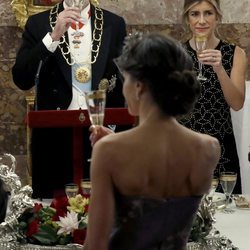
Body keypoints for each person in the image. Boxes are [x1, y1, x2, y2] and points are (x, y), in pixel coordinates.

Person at [83, 33, 221, 250]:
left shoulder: (108, 151)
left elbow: (96, 244)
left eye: (125, 79)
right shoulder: (208, 148)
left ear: (139, 87)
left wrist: (111, 148)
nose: (123, 88)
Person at [12, 0, 127, 198]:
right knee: (54, 216)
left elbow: (128, 80)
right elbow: (21, 79)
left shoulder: (114, 24)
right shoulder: (38, 23)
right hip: (55, 138)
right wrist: (53, 36)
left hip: (101, 133)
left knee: (105, 210)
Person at [180, 0, 247, 194]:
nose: (202, 20)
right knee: (186, 217)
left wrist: (219, 69)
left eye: (208, 13)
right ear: (187, 18)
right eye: (195, 14)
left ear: (217, 16)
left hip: (221, 150)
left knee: (227, 215)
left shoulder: (235, 53)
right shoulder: (175, 54)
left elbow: (236, 103)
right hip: (185, 147)